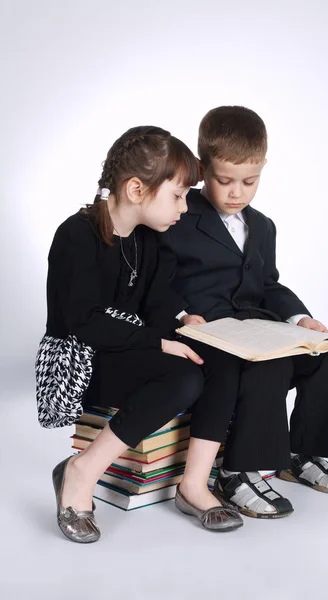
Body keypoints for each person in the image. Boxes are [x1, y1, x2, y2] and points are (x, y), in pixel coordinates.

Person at [36, 126, 243, 543]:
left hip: (128, 346)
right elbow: (84, 321)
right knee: (182, 377)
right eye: (178, 195)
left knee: (220, 357)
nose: (185, 208)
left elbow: (156, 301)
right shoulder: (76, 235)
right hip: (81, 359)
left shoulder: (148, 239)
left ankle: (194, 485)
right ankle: (82, 470)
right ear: (136, 188)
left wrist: (186, 324)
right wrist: (159, 342)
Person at [158, 106, 328, 519]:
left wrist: (301, 320)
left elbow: (268, 284)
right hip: (205, 330)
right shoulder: (175, 214)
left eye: (250, 181)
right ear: (201, 169)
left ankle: (300, 455)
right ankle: (236, 471)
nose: (237, 193)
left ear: (263, 169)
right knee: (266, 367)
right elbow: (155, 280)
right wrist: (179, 316)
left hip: (256, 327)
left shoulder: (263, 226)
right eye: (224, 180)